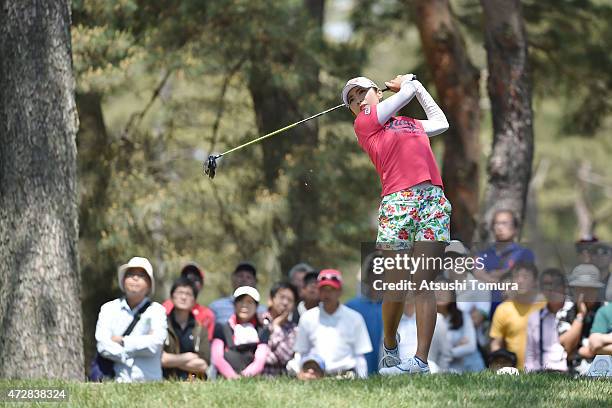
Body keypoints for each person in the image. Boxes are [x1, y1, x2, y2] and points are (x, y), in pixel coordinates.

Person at [342, 74, 451, 375]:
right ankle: (391, 344)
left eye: (362, 92)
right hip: (397, 202)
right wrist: (409, 83)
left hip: (433, 198)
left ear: (376, 92)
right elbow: (408, 92)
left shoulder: (408, 123)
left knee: (423, 284)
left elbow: (441, 122)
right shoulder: (364, 125)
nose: (358, 100)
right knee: (396, 285)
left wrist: (417, 87)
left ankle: (420, 362)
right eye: (351, 99)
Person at [95, 257, 167, 382]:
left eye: (141, 275)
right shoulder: (108, 308)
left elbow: (155, 344)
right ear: (123, 281)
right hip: (117, 382)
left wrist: (122, 341)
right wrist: (138, 347)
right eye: (130, 274)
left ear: (149, 285)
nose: (135, 278)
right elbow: (102, 345)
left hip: (150, 383)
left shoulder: (157, 310)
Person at [294, 269, 372, 378]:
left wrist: (363, 379)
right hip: (316, 376)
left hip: (347, 376)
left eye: (332, 289)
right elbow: (301, 352)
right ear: (318, 291)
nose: (327, 294)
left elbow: (360, 356)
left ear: (340, 291)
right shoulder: (307, 318)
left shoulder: (355, 318)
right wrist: (299, 373)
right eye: (323, 289)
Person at [473, 209, 535, 318]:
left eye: (505, 223)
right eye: (496, 223)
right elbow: (478, 276)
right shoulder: (482, 255)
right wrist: (506, 276)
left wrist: (490, 276)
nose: (500, 227)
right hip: (485, 315)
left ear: (515, 229)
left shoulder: (524, 254)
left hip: (515, 314)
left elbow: (525, 282)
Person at [489, 262, 545, 370]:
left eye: (525, 277)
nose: (520, 281)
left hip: (544, 371)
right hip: (514, 374)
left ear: (535, 282)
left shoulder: (545, 306)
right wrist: (500, 367)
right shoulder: (503, 309)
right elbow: (496, 344)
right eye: (516, 277)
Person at [211, 286, 269, 379]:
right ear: (234, 304)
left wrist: (243, 377)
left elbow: (260, 360)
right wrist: (232, 377)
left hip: (251, 380)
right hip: (225, 380)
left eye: (249, 302)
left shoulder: (262, 330)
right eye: (240, 301)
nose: (244, 305)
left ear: (256, 306)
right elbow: (217, 358)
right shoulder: (221, 328)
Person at [161, 277, 210, 380]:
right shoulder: (161, 325)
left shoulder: (200, 329)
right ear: (172, 296)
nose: (183, 297)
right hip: (166, 381)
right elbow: (160, 359)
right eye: (180, 292)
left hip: (193, 381)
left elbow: (203, 365)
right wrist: (187, 357)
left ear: (194, 300)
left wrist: (171, 361)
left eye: (188, 294)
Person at [559, 264, 604, 374]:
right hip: (571, 375)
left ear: (597, 291)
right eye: (581, 289)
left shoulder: (606, 311)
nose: (585, 295)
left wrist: (582, 352)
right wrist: (581, 315)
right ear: (574, 291)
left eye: (590, 289)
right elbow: (566, 348)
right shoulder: (565, 312)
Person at [346, 252, 384, 375]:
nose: (379, 276)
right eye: (374, 271)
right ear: (367, 275)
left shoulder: (397, 308)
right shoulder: (351, 308)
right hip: (359, 373)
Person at [524, 268, 568, 372]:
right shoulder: (535, 318)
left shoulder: (574, 312)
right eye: (547, 285)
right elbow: (530, 355)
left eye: (556, 284)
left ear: (564, 287)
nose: (552, 289)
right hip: (541, 374)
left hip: (570, 373)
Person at [435, 283, 484, 373]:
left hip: (471, 367)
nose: (440, 293)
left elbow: (471, 346)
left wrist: (446, 352)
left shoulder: (463, 316)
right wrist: (457, 345)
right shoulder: (427, 319)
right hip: (441, 369)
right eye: (436, 289)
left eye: (444, 289)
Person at [396, 297, 451, 373]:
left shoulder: (437, 319)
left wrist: (442, 374)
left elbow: (445, 353)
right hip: (399, 369)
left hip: (429, 368)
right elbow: (384, 351)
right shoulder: (392, 322)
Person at [162, 262, 215, 340]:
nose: (190, 281)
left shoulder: (207, 315)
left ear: (201, 285)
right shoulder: (166, 307)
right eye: (186, 277)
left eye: (195, 279)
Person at [261, 282, 299, 376]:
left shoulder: (294, 330)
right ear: (271, 299)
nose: (285, 303)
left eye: (290, 300)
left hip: (279, 380)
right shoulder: (259, 321)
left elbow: (284, 357)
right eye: (282, 297)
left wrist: (276, 326)